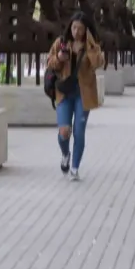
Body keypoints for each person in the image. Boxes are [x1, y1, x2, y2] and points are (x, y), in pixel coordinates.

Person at [46, 11, 105, 181]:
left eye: (80, 29)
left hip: (83, 94)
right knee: (64, 131)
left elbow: (98, 64)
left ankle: (75, 167)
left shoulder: (92, 46)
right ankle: (65, 154)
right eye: (73, 27)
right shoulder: (61, 42)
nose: (76, 32)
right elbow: (49, 63)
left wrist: (91, 46)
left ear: (86, 30)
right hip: (64, 93)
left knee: (79, 132)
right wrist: (59, 58)